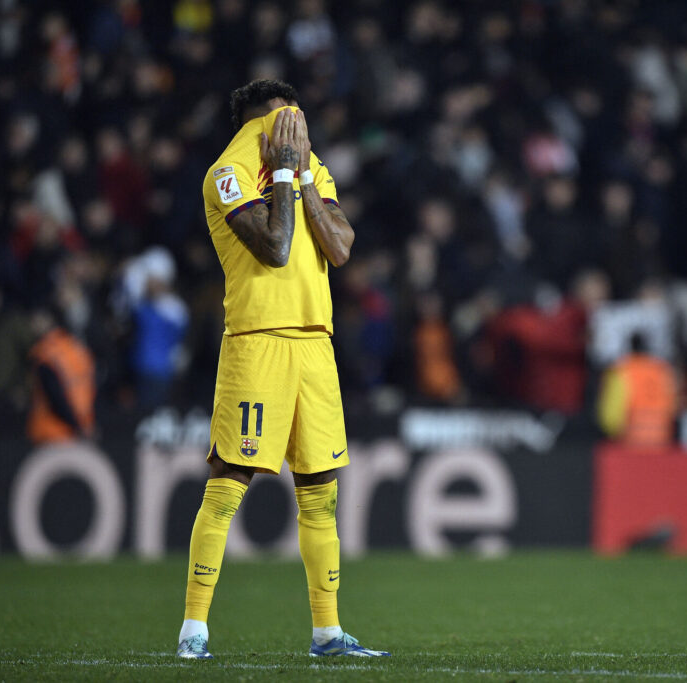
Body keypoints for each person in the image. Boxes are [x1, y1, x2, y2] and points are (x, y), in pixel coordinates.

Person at [176, 79, 388, 659]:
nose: (293, 123)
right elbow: (274, 247)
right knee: (228, 485)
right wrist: (289, 174)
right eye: (282, 115)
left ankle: (327, 633)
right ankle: (193, 631)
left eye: (296, 114)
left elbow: (340, 249)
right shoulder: (228, 172)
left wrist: (299, 175)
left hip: (316, 342)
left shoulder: (307, 163)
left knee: (320, 492)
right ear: (255, 120)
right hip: (257, 339)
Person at [26, 307, 96, 444]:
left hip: (52, 430)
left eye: (35, 321)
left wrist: (76, 424)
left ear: (48, 320)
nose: (32, 326)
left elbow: (55, 395)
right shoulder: (77, 347)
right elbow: (92, 384)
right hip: (82, 425)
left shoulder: (44, 353)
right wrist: (83, 425)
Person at [596, 333, 678, 448]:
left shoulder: (622, 370)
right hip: (662, 438)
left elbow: (611, 413)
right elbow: (674, 403)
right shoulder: (661, 369)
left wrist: (611, 432)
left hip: (630, 440)